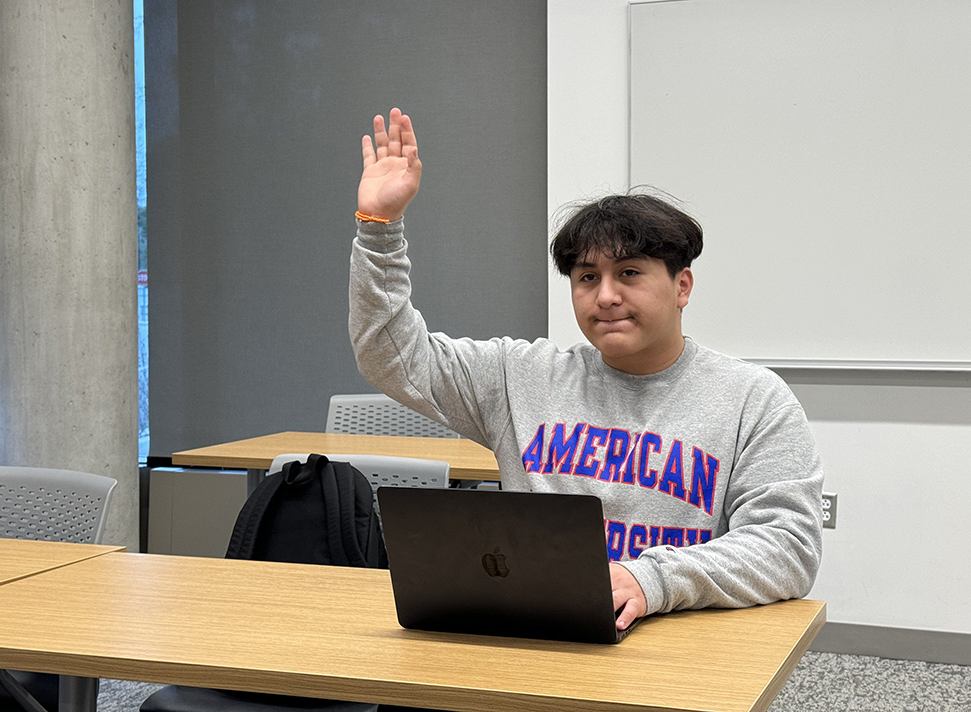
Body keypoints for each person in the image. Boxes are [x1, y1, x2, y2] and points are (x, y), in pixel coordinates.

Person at [350, 108, 824, 631]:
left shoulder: (754, 400)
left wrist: (653, 580)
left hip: (672, 638)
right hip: (533, 629)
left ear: (682, 286)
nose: (606, 296)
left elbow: (787, 547)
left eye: (629, 273)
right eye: (586, 277)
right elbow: (392, 356)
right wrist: (379, 230)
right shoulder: (519, 376)